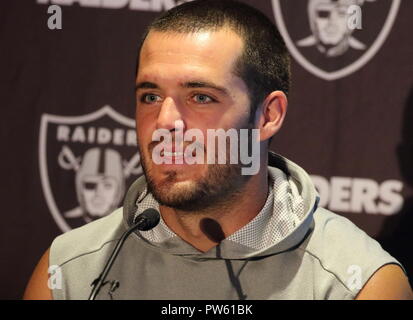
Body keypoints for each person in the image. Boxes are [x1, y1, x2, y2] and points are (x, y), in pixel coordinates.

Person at [24, 0, 413, 300]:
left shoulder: (356, 282)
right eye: (151, 95)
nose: (164, 122)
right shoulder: (68, 271)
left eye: (200, 96)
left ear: (268, 115)